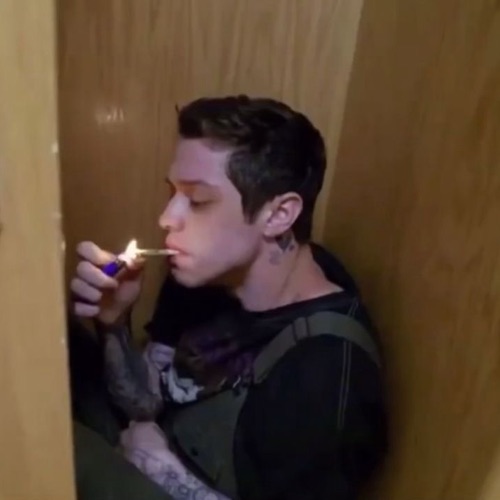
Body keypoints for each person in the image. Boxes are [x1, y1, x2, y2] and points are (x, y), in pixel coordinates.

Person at [69, 95, 387, 500]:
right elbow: (145, 403)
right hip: (151, 441)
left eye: (197, 200)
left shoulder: (325, 374)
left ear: (279, 215)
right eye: (172, 193)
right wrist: (113, 320)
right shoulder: (204, 271)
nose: (167, 219)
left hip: (177, 477)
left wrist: (163, 471)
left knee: (58, 448)